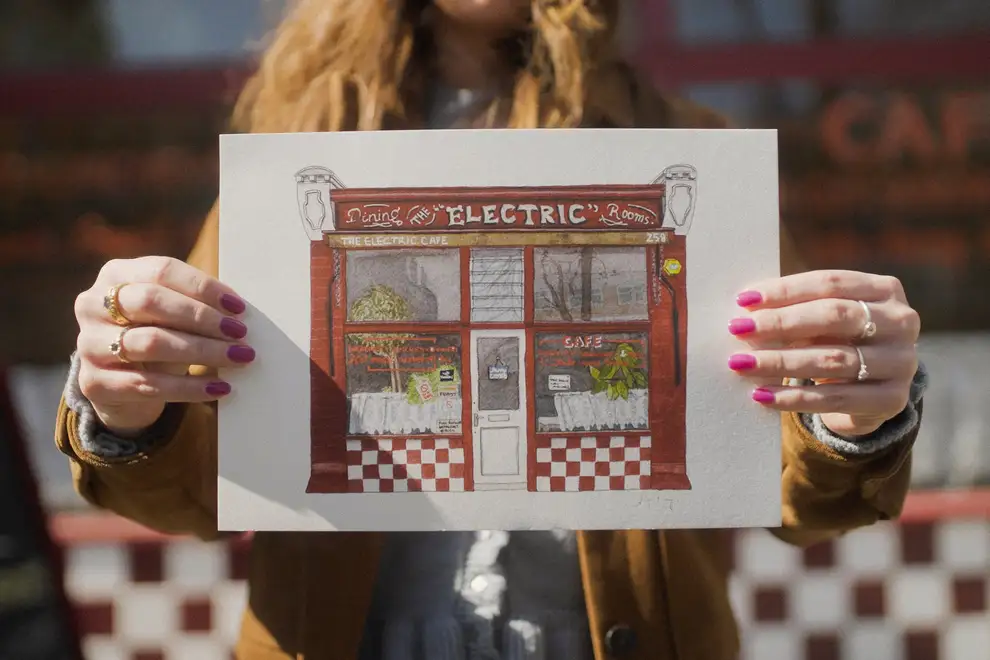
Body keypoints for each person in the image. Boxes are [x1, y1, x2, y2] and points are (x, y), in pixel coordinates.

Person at [55, 1, 928, 658]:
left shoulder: (692, 151)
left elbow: (797, 494)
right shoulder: (290, 165)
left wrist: (851, 412)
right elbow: (196, 492)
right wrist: (129, 403)